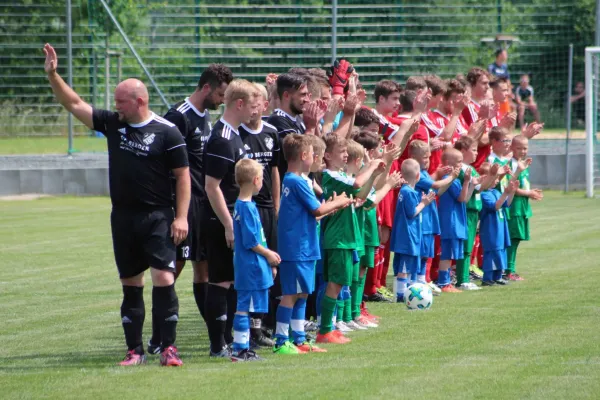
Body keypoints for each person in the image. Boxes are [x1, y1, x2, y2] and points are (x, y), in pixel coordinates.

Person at [44, 43, 190, 366]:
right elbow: (75, 103)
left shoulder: (168, 133)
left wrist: (181, 217)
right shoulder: (113, 124)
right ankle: (135, 350)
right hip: (123, 217)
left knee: (164, 278)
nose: (116, 107)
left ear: (139, 101)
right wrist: (53, 76)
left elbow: (183, 176)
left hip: (158, 217)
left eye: (121, 102)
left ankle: (169, 348)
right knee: (130, 282)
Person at [150, 63, 233, 354]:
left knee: (204, 270)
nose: (222, 99)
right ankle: (158, 338)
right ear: (207, 88)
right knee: (173, 268)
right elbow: (164, 165)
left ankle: (218, 335)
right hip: (184, 206)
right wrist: (177, 212)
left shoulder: (207, 116)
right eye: (221, 93)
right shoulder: (178, 116)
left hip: (203, 204)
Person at [274, 134, 351, 354]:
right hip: (297, 248)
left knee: (303, 294)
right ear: (304, 155)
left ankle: (298, 339)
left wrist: (332, 206)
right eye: (312, 153)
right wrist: (339, 202)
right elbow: (317, 210)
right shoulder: (297, 181)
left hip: (306, 247)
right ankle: (281, 342)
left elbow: (312, 215)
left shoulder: (294, 180)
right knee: (291, 294)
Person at [203, 79, 260, 358]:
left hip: (233, 220)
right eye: (251, 104)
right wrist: (227, 224)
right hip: (220, 222)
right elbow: (211, 185)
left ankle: (231, 342)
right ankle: (218, 346)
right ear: (239, 104)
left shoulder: (235, 134)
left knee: (234, 282)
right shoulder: (222, 138)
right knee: (221, 281)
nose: (255, 110)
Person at [317, 135, 385, 344]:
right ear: (327, 155)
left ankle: (330, 328)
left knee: (338, 283)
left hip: (346, 237)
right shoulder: (330, 175)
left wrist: (373, 176)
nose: (346, 155)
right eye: (341, 151)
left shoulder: (339, 175)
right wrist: (371, 165)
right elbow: (356, 182)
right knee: (335, 283)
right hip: (338, 237)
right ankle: (325, 331)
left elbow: (360, 194)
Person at [239, 83, 281, 348]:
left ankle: (264, 324)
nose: (254, 109)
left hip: (267, 207)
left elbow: (275, 170)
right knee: (254, 267)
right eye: (250, 103)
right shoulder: (235, 133)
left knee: (271, 269)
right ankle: (250, 330)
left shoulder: (271, 132)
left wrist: (276, 206)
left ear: (265, 105)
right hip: (248, 206)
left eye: (258, 104)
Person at [344, 139, 401, 326]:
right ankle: (350, 313)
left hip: (365, 229)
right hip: (358, 230)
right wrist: (388, 182)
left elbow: (375, 186)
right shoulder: (351, 179)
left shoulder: (362, 175)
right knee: (353, 274)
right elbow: (373, 197)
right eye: (378, 150)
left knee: (361, 271)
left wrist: (387, 162)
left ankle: (358, 309)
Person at [230, 158, 279, 362]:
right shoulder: (247, 208)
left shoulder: (244, 205)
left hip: (252, 266)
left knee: (248, 307)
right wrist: (269, 255)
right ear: (257, 179)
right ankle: (240, 350)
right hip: (251, 266)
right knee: (244, 308)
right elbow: (251, 241)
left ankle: (244, 347)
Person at [410, 140, 458, 293]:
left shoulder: (424, 173)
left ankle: (422, 280)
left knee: (426, 253)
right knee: (420, 253)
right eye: (424, 157)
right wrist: (451, 177)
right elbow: (435, 185)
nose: (427, 160)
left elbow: (436, 189)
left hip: (430, 219)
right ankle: (415, 282)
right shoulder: (417, 175)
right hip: (422, 221)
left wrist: (443, 176)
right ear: (413, 157)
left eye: (428, 157)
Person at [453, 136, 498, 289]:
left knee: (469, 245)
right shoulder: (462, 170)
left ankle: (464, 277)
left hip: (473, 212)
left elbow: (481, 187)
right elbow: (474, 187)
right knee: (465, 246)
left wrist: (492, 175)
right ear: (463, 151)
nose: (476, 153)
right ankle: (462, 279)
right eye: (473, 150)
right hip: (466, 211)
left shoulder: (470, 169)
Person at [390, 158, 436, 302]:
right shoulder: (408, 191)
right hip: (408, 236)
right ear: (418, 176)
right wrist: (424, 203)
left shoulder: (408, 191)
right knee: (404, 268)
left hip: (410, 235)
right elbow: (412, 212)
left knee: (410, 266)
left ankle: (410, 294)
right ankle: (401, 296)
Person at [479, 159, 530, 286]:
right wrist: (506, 193)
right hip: (491, 229)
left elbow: (506, 203)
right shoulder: (484, 194)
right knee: (492, 251)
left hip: (501, 228)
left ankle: (497, 276)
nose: (497, 180)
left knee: (501, 251)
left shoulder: (496, 192)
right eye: (495, 177)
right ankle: (487, 278)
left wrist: (511, 192)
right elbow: (496, 206)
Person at [437, 148, 477, 292]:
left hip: (456, 220)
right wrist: (466, 181)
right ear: (449, 163)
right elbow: (461, 198)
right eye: (459, 162)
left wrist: (471, 184)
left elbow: (464, 199)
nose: (461, 165)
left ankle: (446, 281)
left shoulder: (454, 180)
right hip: (451, 221)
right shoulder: (449, 180)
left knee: (450, 252)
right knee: (447, 252)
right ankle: (443, 282)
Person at [506, 136, 543, 281]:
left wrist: (531, 191)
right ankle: (509, 270)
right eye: (519, 148)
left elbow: (521, 185)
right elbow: (510, 187)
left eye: (525, 148)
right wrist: (529, 193)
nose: (522, 151)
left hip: (522, 207)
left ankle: (510, 269)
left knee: (516, 240)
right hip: (514, 208)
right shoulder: (512, 165)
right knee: (512, 239)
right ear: (511, 148)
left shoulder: (522, 164)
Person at [267, 73, 310, 177]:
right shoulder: (278, 120)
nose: (307, 100)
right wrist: (311, 126)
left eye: (308, 95)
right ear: (286, 95)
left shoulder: (298, 119)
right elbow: (300, 156)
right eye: (302, 95)